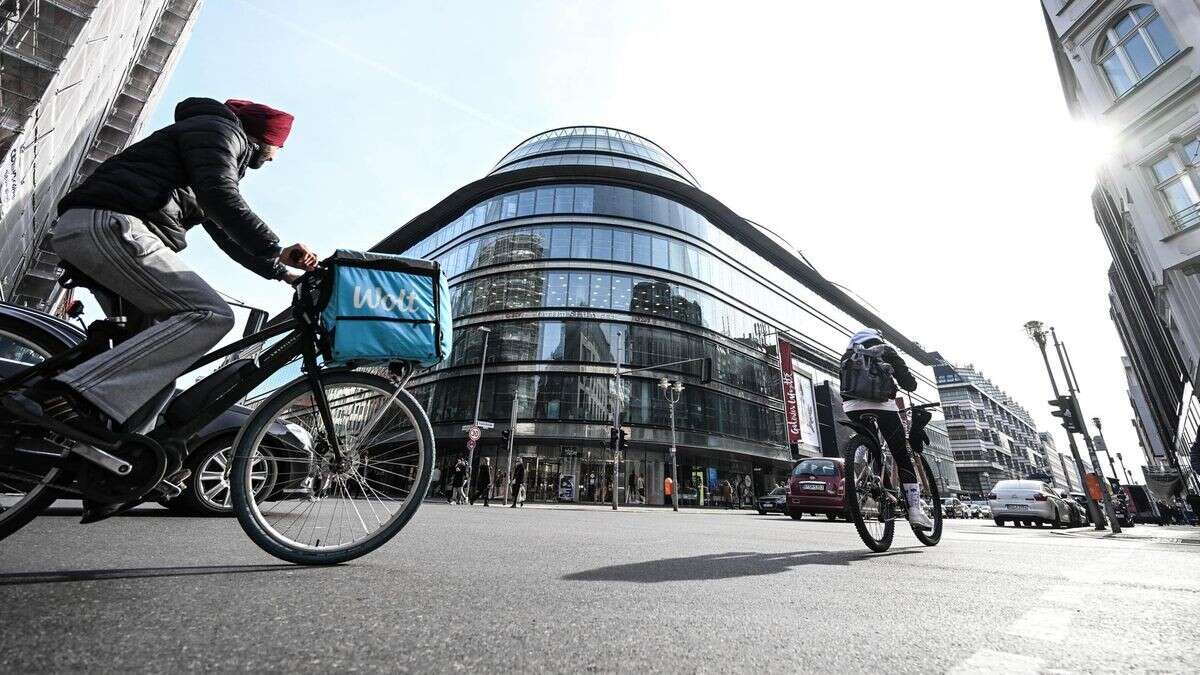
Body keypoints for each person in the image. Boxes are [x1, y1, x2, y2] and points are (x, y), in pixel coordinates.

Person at [0, 97, 318, 522]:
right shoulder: (219, 132)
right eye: (280, 147)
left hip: (103, 229)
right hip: (113, 224)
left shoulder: (207, 147)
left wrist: (279, 271)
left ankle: (113, 469)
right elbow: (221, 196)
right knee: (211, 314)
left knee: (159, 362)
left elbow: (222, 228)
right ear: (265, 137)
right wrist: (276, 244)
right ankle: (66, 393)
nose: (278, 157)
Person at [840, 328, 932, 531]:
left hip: (852, 407)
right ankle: (915, 511)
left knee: (872, 444)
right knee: (901, 455)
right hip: (883, 406)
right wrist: (906, 381)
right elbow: (909, 383)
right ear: (877, 338)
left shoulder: (848, 355)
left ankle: (880, 488)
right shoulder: (886, 350)